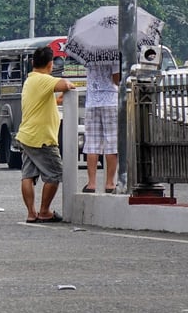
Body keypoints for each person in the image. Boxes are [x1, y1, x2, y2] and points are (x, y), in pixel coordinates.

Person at [15, 45, 76, 223]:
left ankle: (31, 213)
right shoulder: (43, 79)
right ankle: (44, 211)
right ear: (50, 65)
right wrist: (70, 86)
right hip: (41, 137)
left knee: (28, 175)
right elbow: (65, 84)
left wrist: (58, 100)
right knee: (55, 173)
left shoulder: (31, 80)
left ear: (33, 62)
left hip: (27, 135)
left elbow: (43, 102)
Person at [82, 59, 120, 194]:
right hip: (110, 100)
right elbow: (116, 79)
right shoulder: (112, 54)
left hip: (92, 101)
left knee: (92, 143)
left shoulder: (90, 56)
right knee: (111, 142)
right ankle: (109, 183)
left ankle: (91, 183)